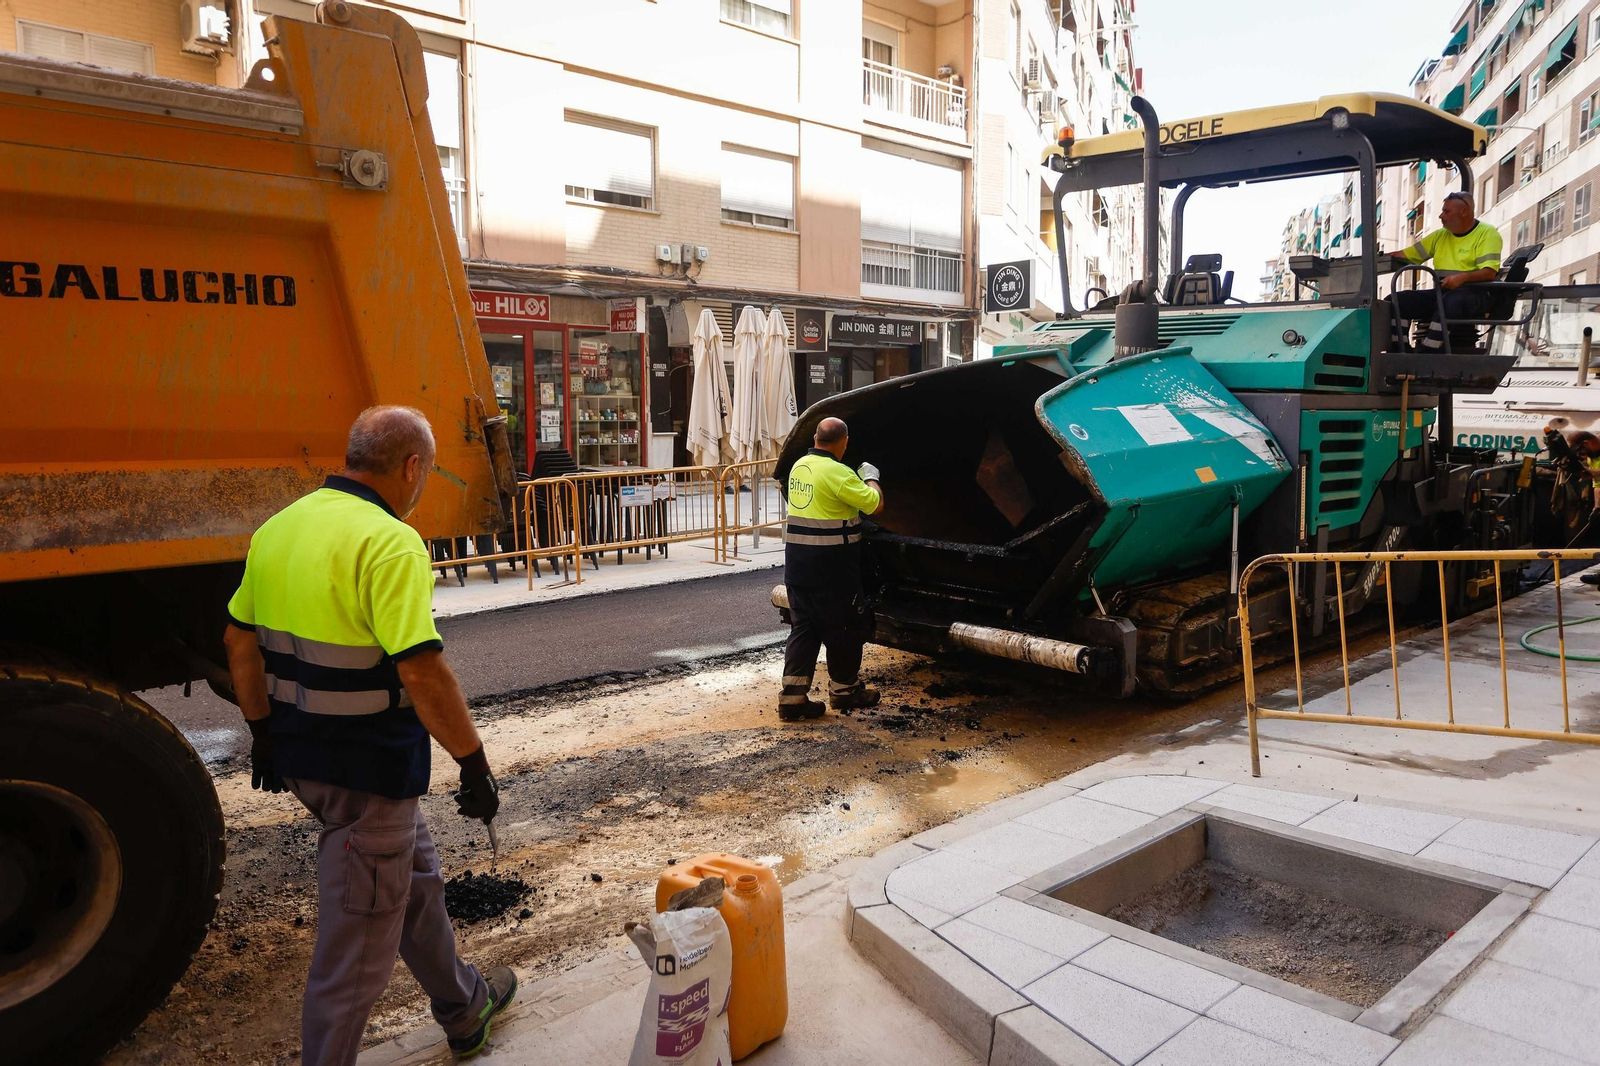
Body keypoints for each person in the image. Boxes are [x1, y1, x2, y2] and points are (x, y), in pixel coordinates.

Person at [222, 406, 515, 1065]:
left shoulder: (279, 528)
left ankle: (466, 1010)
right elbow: (420, 668)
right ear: (411, 466)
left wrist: (262, 734)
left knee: (415, 888)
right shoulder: (390, 542)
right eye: (427, 472)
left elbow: (238, 641)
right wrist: (473, 762)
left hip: (302, 759)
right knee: (353, 959)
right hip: (367, 773)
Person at [779, 417, 885, 720]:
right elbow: (875, 505)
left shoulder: (800, 465)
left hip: (797, 567)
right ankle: (845, 691)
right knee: (847, 628)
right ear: (845, 442)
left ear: (815, 438)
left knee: (804, 630)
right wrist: (871, 477)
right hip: (832, 570)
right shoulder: (839, 473)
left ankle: (792, 698)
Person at [1387, 190, 1503, 352]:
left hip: (1476, 293)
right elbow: (1406, 256)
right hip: (1444, 292)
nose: (1441, 216)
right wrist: (1380, 259)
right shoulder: (1440, 236)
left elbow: (1489, 272)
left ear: (1464, 212)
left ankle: (1428, 351)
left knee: (1452, 301)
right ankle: (1400, 349)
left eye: (1446, 211)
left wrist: (1462, 278)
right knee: (1397, 299)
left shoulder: (1487, 233)